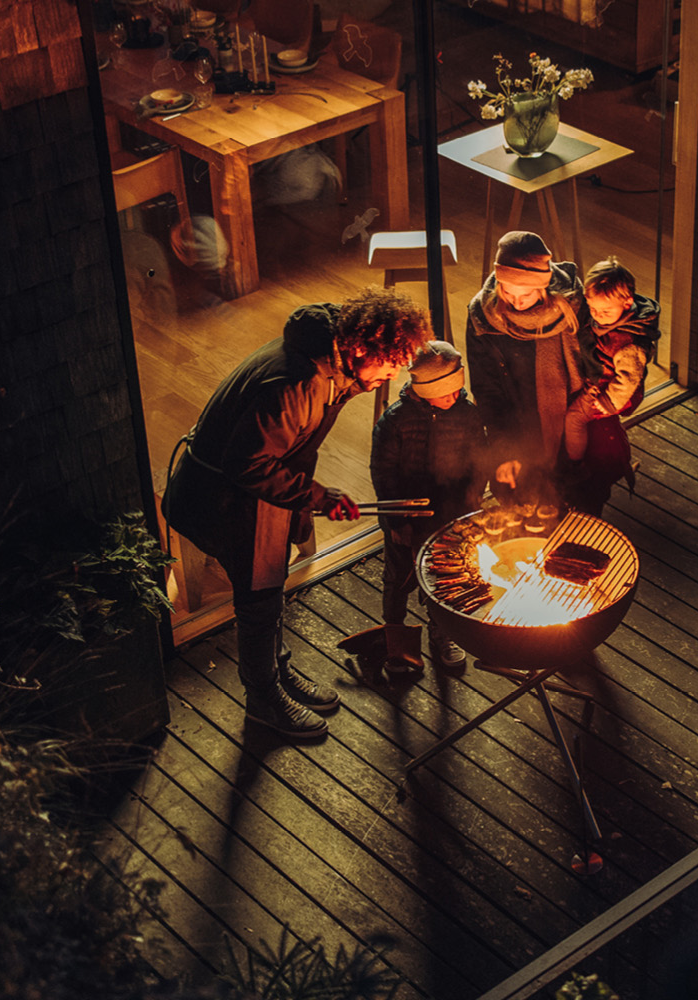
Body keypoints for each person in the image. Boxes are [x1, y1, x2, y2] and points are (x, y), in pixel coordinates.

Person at [162, 288, 429, 739]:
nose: (390, 376)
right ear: (363, 347)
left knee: (270, 594)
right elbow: (248, 464)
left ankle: (276, 671)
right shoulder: (299, 381)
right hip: (224, 501)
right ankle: (263, 699)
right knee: (259, 603)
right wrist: (317, 497)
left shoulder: (327, 355)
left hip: (254, 497)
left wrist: (310, 499)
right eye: (389, 364)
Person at [369, 341, 497, 675]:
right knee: (398, 578)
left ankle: (442, 632)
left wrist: (472, 498)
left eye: (457, 388)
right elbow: (383, 474)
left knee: (445, 575)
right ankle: (396, 640)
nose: (455, 395)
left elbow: (479, 459)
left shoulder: (467, 413)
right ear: (424, 389)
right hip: (409, 517)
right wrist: (397, 521)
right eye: (446, 392)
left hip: (451, 513)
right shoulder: (394, 421)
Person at [464, 230, 587, 504]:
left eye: (527, 294)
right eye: (507, 292)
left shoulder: (573, 307)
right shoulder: (483, 317)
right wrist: (505, 450)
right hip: (517, 428)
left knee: (579, 501)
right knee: (519, 506)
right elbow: (487, 391)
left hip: (571, 426)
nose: (516, 302)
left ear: (543, 287)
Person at [562, 256, 660, 512]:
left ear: (627, 303)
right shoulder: (608, 319)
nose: (597, 316)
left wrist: (609, 400)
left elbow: (629, 377)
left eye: (605, 312)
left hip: (609, 394)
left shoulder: (627, 341)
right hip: (599, 384)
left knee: (574, 419)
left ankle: (575, 465)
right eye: (593, 309)